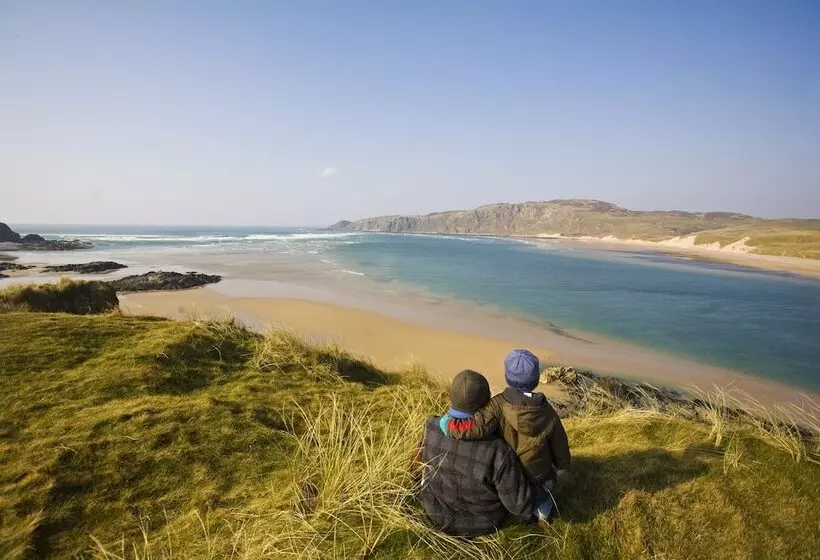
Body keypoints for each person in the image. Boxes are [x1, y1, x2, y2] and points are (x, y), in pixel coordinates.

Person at [441, 349, 571, 523]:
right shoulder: (548, 412)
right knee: (542, 492)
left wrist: (447, 424)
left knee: (507, 490)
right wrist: (562, 465)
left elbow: (474, 427)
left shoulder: (496, 405)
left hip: (508, 473)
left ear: (507, 376)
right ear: (535, 380)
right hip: (538, 473)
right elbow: (559, 443)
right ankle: (543, 511)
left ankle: (517, 509)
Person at [416, 369, 536, 536]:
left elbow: (417, 469)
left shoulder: (431, 426)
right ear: (488, 403)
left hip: (435, 512)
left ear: (451, 397)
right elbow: (519, 505)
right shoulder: (498, 450)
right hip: (481, 523)